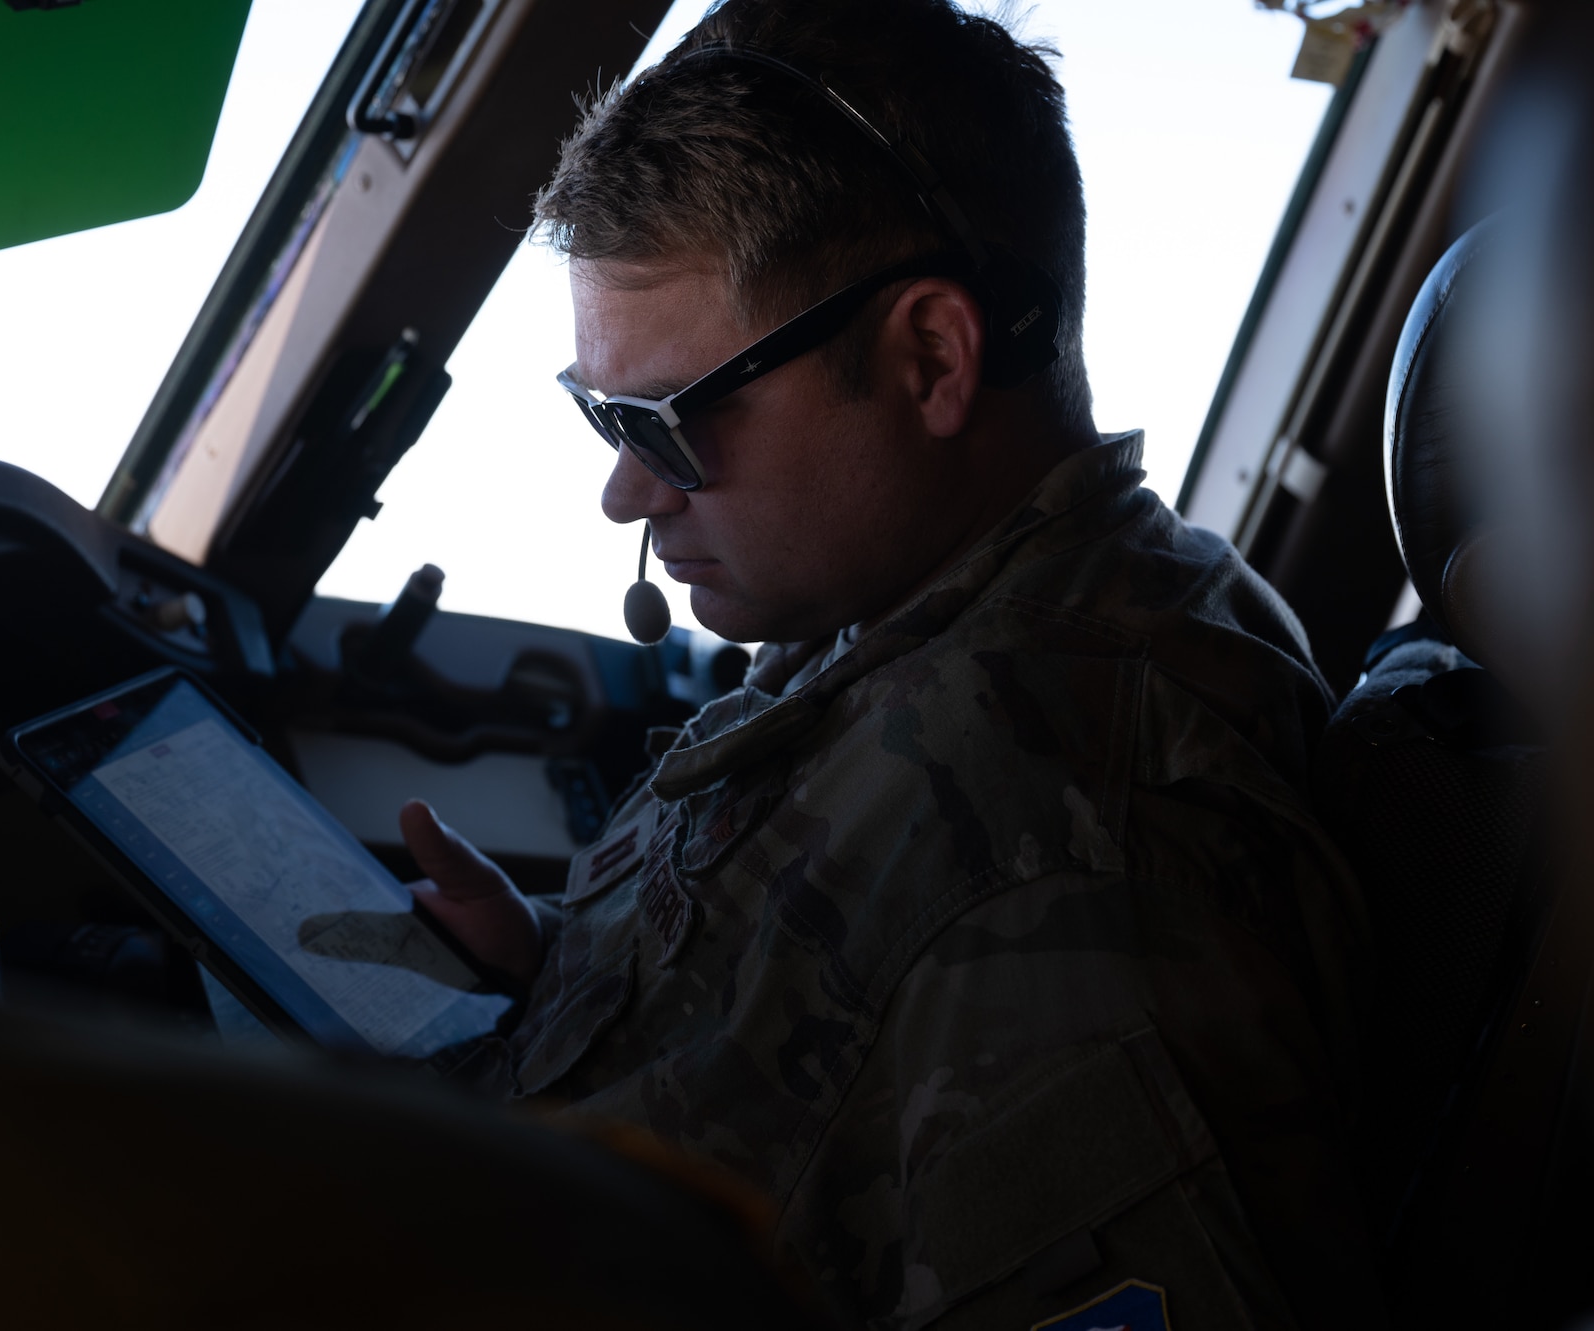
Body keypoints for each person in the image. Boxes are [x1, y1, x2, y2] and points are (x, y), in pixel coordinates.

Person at [398, 2, 1381, 1326]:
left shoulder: (1069, 834)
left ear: (927, 356)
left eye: (666, 424)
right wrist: (554, 967)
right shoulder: (904, 606)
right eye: (598, 416)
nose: (625, 497)